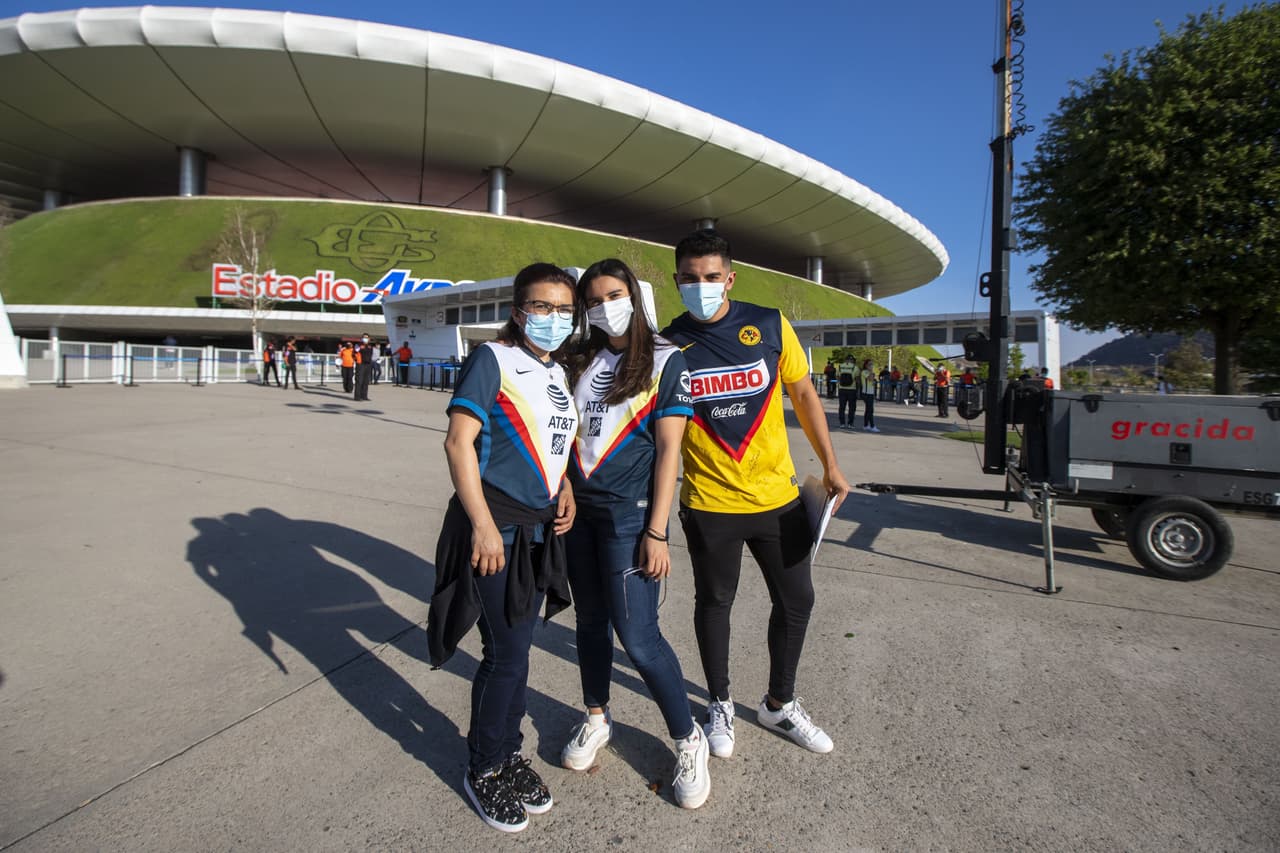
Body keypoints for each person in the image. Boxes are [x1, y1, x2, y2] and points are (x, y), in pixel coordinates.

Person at [661, 229, 850, 759]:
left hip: (778, 499)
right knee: (714, 603)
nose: (701, 286)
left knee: (797, 599)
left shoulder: (768, 324)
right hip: (709, 504)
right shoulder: (667, 343)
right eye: (691, 278)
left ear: (730, 278)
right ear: (677, 281)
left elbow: (803, 393)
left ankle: (779, 704)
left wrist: (831, 465)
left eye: (711, 277)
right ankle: (719, 703)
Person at [426, 262, 579, 833]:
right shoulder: (492, 359)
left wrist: (564, 485)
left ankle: (508, 753)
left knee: (517, 648)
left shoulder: (557, 371)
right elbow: (458, 443)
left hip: (538, 530)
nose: (553, 318)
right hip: (496, 530)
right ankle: (485, 766)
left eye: (564, 309)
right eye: (542, 307)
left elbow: (550, 444)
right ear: (519, 311)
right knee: (505, 653)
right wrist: (484, 526)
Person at [560, 258, 709, 809]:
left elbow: (670, 451)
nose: (605, 308)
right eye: (594, 301)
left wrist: (657, 530)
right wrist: (564, 486)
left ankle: (688, 737)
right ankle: (597, 716)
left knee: (639, 637)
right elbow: (566, 434)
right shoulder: (581, 358)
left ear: (635, 296)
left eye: (614, 295)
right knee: (590, 622)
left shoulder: (668, 360)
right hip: (579, 513)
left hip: (630, 516)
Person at [836, 355, 858, 430]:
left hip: (842, 389)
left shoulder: (840, 366)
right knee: (852, 407)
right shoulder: (855, 367)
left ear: (845, 360)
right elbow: (857, 379)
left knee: (842, 407)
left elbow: (837, 376)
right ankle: (850, 424)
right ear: (852, 360)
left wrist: (840, 383)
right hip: (852, 389)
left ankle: (842, 423)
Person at [859, 358, 880, 432]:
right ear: (866, 365)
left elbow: (872, 382)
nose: (871, 366)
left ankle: (865, 425)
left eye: (872, 364)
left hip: (870, 393)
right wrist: (871, 371)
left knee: (868, 410)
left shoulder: (870, 372)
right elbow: (870, 379)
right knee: (870, 410)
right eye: (870, 364)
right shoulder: (864, 372)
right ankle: (872, 426)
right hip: (866, 393)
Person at [353, 335, 374, 401]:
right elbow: (355, 352)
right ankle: (357, 397)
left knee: (366, 381)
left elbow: (371, 354)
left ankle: (364, 396)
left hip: (368, 364)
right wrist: (359, 346)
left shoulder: (370, 346)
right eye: (364, 337)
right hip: (360, 364)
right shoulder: (358, 345)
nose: (365, 339)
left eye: (367, 337)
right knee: (359, 380)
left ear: (369, 339)